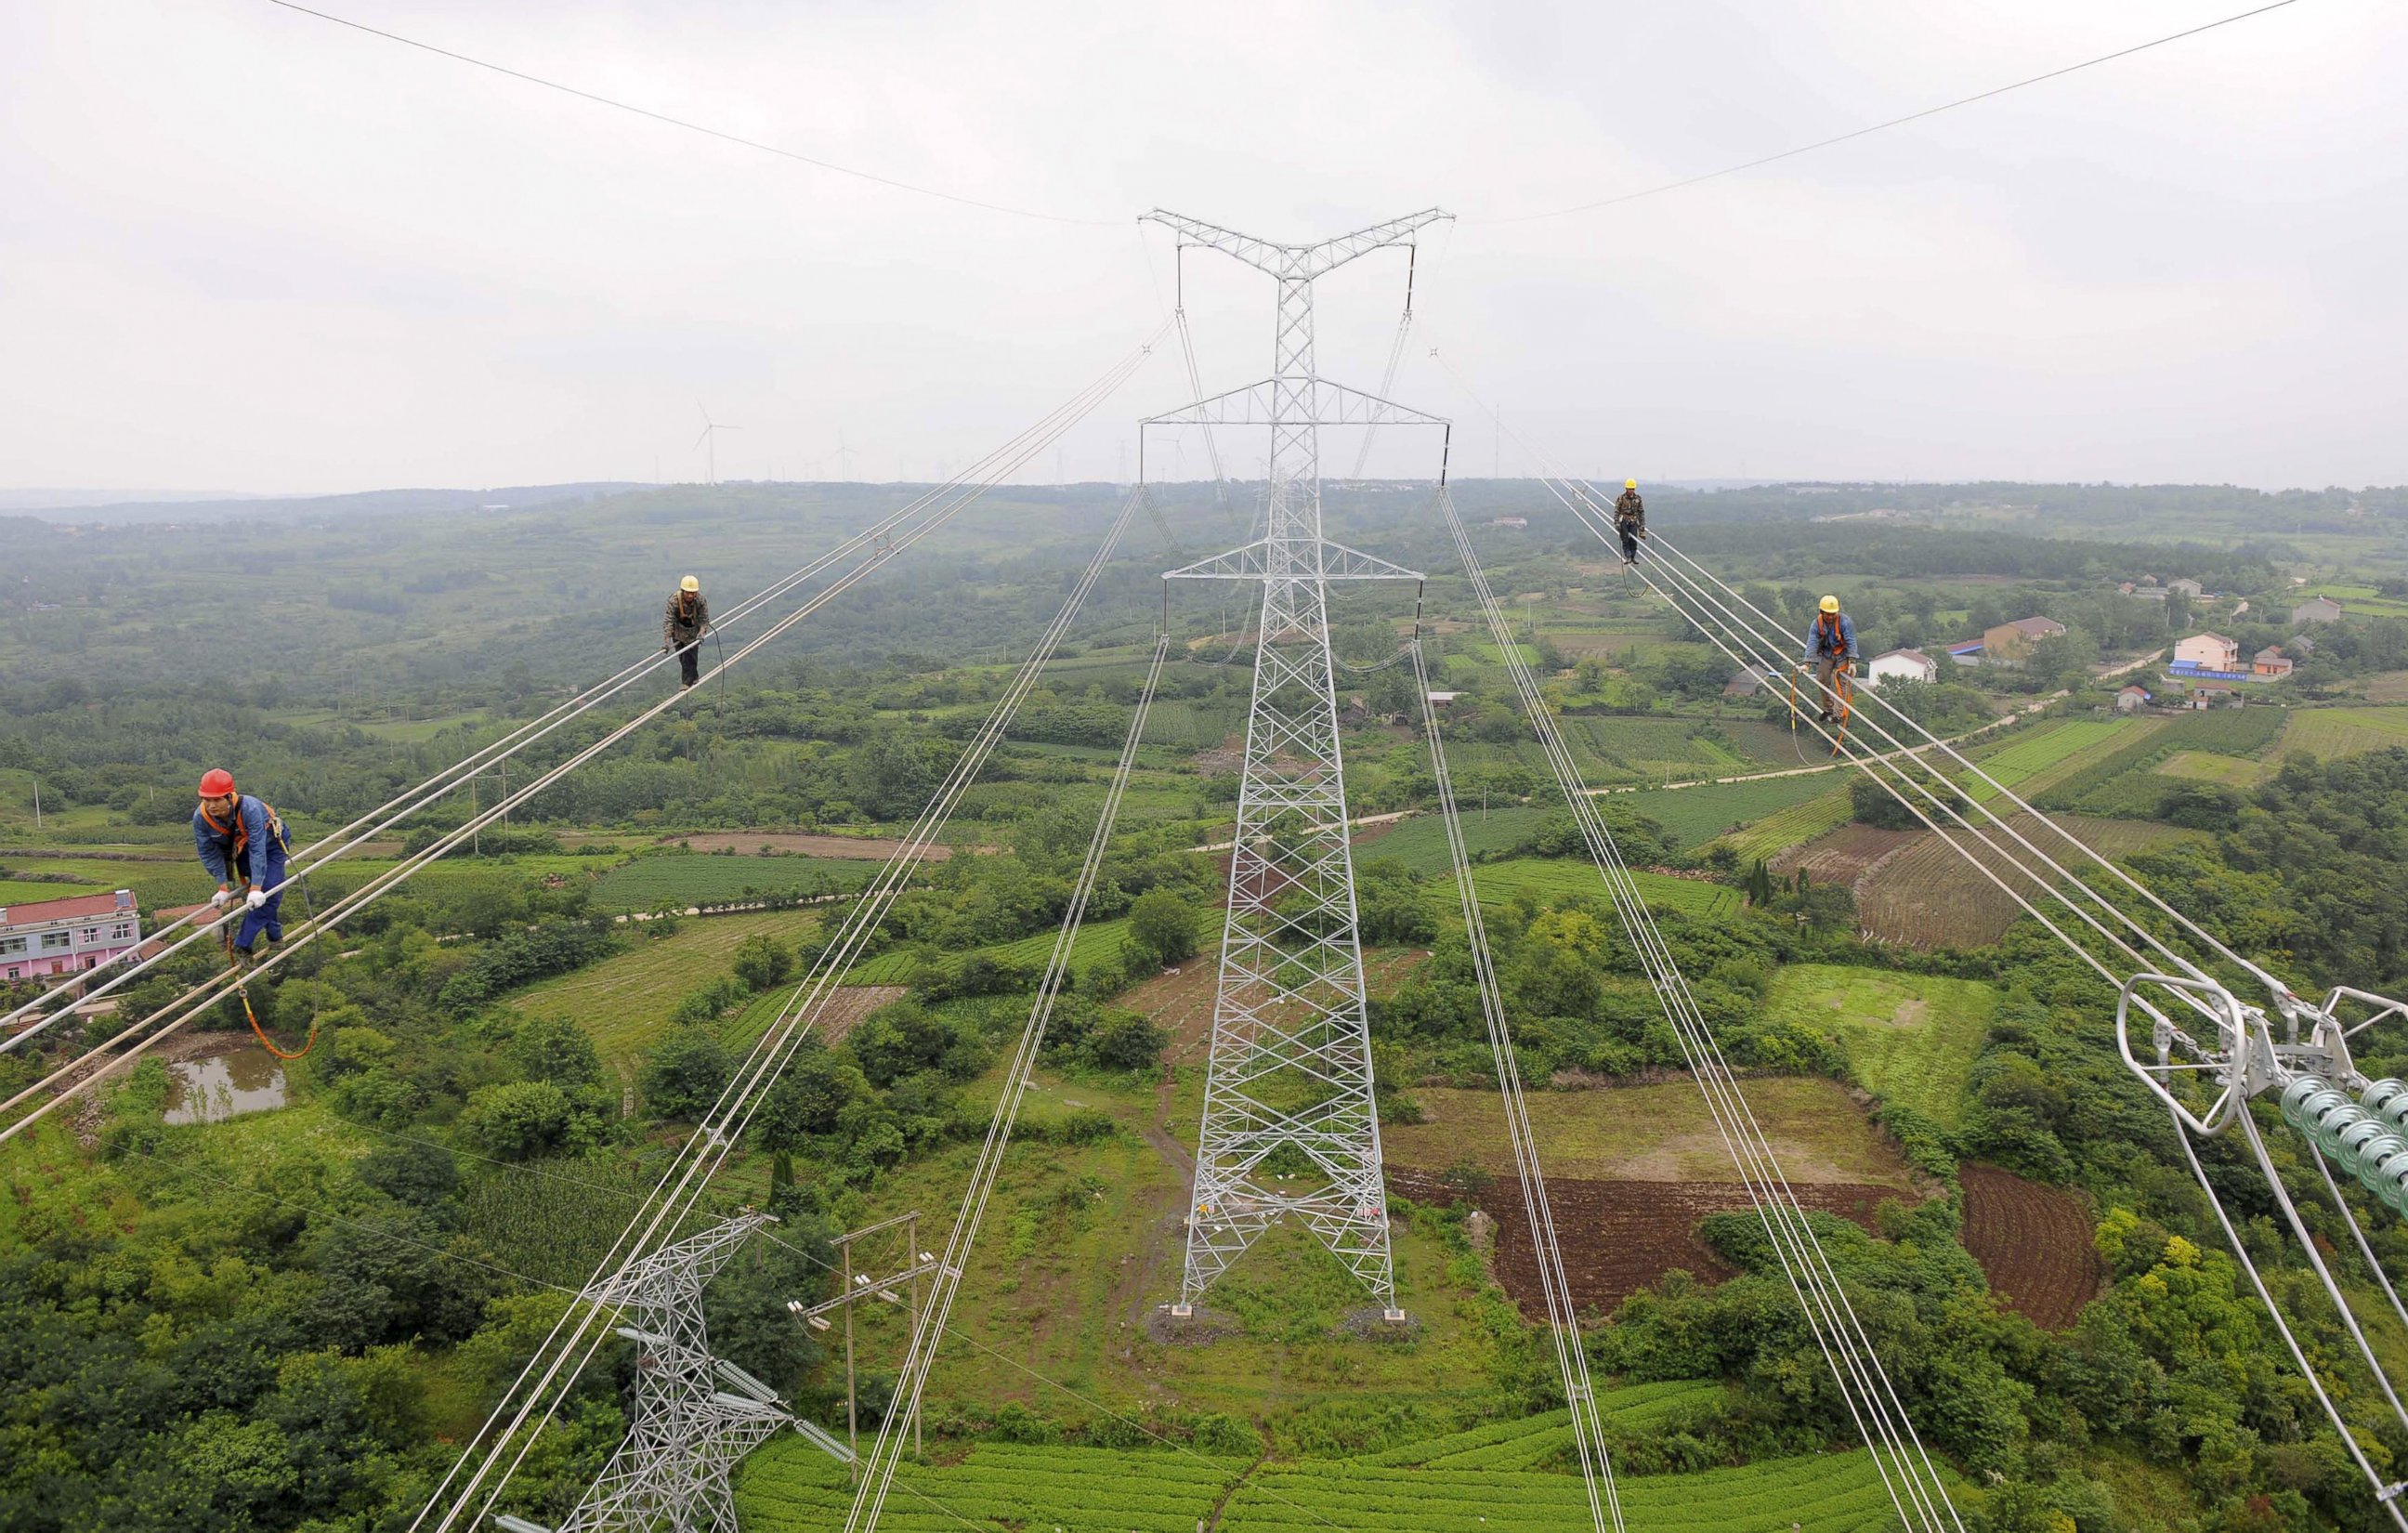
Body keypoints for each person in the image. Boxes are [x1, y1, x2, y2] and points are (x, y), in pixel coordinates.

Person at [192, 768, 291, 962]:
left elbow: (258, 849)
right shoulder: (201, 819)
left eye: (217, 799)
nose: (211, 805)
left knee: (269, 890)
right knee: (263, 897)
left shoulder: (250, 809)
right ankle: (275, 936)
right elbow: (208, 852)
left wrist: (255, 887)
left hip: (271, 847)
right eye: (206, 800)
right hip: (242, 849)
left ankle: (242, 945)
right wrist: (222, 886)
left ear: (230, 796)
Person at [1800, 595, 1859, 724]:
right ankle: (1829, 708)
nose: (1830, 617)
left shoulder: (1845, 622)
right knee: (1821, 678)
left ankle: (1838, 715)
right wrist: (1807, 663)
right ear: (1822, 612)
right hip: (1827, 653)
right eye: (1827, 614)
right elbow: (1812, 642)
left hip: (1843, 654)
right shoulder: (1817, 624)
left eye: (1833, 614)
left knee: (1841, 682)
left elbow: (1851, 641)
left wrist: (1852, 662)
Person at [663, 575, 710, 688]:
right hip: (678, 630)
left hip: (694, 629)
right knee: (682, 656)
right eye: (688, 593)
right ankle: (694, 677)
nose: (690, 595)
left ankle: (686, 682)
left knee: (690, 655)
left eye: (693, 593)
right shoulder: (674, 601)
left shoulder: (700, 600)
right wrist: (667, 641)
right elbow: (669, 620)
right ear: (682, 591)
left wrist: (702, 633)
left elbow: (704, 619)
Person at [1612, 478, 1645, 563]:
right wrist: (1616, 522)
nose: (1631, 491)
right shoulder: (1621, 498)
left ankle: (1633, 557)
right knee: (1625, 539)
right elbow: (1617, 510)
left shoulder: (1638, 499)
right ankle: (1628, 556)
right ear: (1626, 489)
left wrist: (1642, 525)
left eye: (1632, 489)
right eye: (1630, 489)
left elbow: (1641, 512)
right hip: (1624, 520)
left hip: (1633, 520)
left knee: (1633, 540)